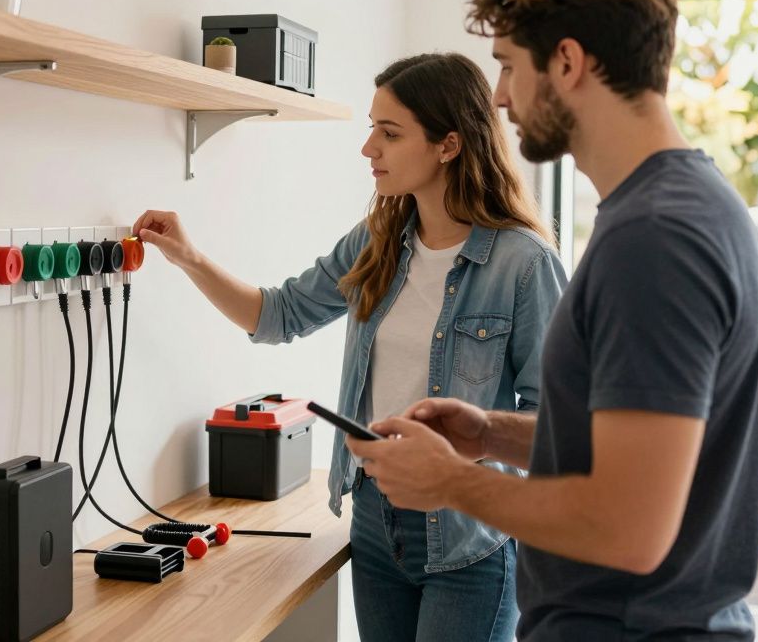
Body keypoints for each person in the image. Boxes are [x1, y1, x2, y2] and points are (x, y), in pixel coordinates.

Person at [346, 0, 758, 641]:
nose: (503, 99)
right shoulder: (682, 206)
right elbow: (630, 447)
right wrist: (490, 434)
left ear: (568, 62)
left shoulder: (655, 238)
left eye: (510, 67)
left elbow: (628, 526)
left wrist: (449, 481)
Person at [133, 52, 565, 642]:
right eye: (371, 129)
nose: (369, 149)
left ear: (448, 145)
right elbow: (278, 315)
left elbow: (554, 425)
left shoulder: (523, 264)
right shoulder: (378, 240)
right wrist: (189, 258)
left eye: (389, 133)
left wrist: (469, 448)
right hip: (374, 520)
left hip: (471, 538)